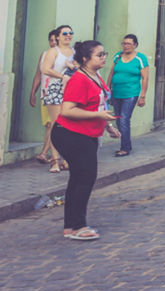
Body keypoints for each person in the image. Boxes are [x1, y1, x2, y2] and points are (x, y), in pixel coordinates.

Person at [51, 40, 120, 240]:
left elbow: (98, 105)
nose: (104, 57)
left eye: (104, 53)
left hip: (87, 134)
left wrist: (108, 126)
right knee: (85, 177)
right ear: (84, 59)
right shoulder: (78, 79)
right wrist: (99, 117)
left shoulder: (96, 76)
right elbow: (67, 110)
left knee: (79, 178)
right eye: (99, 55)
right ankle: (77, 226)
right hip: (70, 134)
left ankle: (70, 226)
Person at [105, 34, 150, 157]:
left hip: (131, 93)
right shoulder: (117, 56)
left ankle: (124, 148)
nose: (125, 46)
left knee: (124, 119)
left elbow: (145, 78)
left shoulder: (140, 58)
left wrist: (142, 96)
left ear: (135, 45)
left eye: (128, 44)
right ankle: (127, 144)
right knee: (119, 120)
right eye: (124, 43)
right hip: (116, 93)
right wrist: (107, 89)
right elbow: (111, 73)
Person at [40, 25, 77, 173]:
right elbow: (45, 69)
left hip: (72, 90)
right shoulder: (53, 51)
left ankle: (66, 159)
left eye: (70, 33)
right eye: (65, 33)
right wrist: (63, 77)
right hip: (56, 89)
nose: (68, 35)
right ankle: (54, 161)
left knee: (70, 125)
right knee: (56, 125)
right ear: (58, 36)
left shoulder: (75, 51)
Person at [29, 29, 61, 164]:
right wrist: (32, 93)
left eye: (55, 40)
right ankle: (54, 154)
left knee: (51, 124)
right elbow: (38, 75)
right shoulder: (44, 55)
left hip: (57, 95)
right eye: (51, 40)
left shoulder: (63, 56)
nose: (53, 43)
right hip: (44, 94)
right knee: (48, 124)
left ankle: (45, 153)